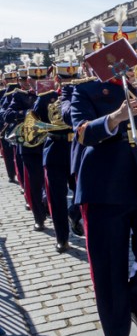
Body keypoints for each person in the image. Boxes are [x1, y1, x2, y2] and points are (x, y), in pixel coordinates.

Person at [71, 40, 137, 336]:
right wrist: (115, 117)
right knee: (108, 272)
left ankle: (133, 304)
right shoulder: (84, 90)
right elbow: (81, 132)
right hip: (105, 189)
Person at [34, 53, 79, 252]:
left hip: (77, 150)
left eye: (73, 77)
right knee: (57, 198)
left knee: (82, 194)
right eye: (65, 78)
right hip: (55, 150)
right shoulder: (46, 97)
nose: (70, 82)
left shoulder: (83, 93)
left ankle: (75, 214)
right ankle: (62, 238)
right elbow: (35, 121)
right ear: (57, 79)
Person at [5, 54, 47, 230]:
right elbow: (7, 114)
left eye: (42, 77)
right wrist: (27, 113)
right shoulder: (19, 95)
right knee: (36, 183)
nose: (38, 81)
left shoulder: (52, 94)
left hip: (51, 143)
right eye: (34, 78)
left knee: (52, 184)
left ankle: (52, 209)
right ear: (27, 80)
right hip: (30, 145)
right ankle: (39, 217)